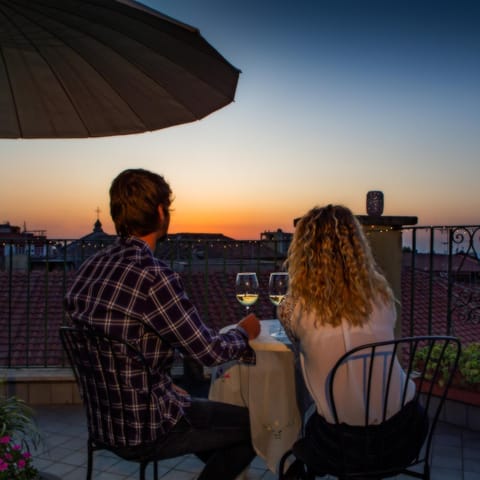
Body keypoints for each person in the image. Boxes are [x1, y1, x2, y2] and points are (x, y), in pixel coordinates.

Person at [65, 168, 261, 480]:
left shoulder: (87, 269)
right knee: (255, 428)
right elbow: (208, 352)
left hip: (104, 423)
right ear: (160, 212)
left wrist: (165, 382)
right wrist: (243, 331)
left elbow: (106, 342)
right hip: (150, 426)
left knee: (213, 425)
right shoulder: (154, 276)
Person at [278, 204, 427, 477]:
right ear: (357, 244)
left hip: (344, 446)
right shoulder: (381, 293)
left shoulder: (295, 307)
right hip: (405, 431)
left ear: (304, 250)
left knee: (311, 427)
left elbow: (292, 336)